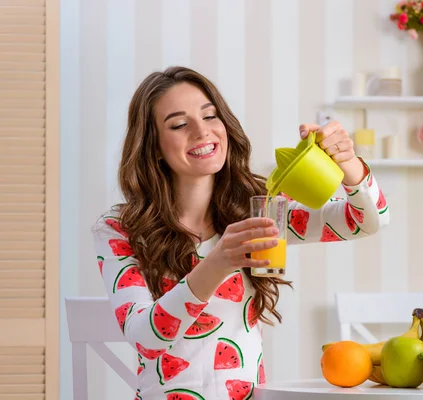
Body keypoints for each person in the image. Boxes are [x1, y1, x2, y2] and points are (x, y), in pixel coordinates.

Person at [92, 66, 390, 400]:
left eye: (210, 116)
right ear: (154, 146)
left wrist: (347, 163)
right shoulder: (120, 229)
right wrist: (217, 263)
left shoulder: (260, 210)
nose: (202, 132)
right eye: (178, 124)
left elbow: (366, 220)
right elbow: (146, 338)